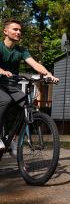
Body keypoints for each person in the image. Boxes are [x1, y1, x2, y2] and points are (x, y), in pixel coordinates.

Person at [0, 19, 59, 154]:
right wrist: (2, 71)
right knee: (5, 100)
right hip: (0, 84)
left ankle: (13, 139)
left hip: (12, 86)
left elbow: (35, 64)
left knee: (28, 106)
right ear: (6, 31)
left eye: (20, 30)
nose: (18, 32)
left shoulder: (21, 50)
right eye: (15, 29)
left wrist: (49, 74)